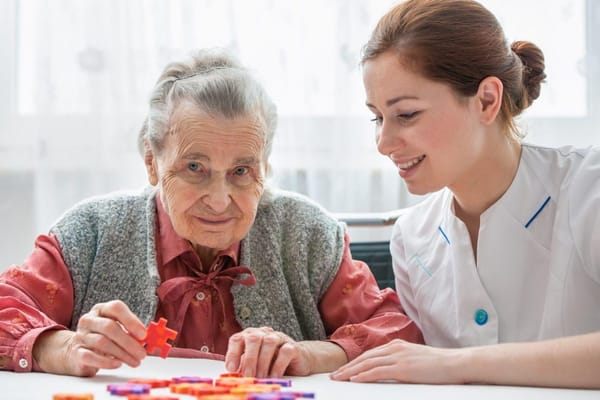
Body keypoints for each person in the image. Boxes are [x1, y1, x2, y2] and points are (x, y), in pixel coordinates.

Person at [0, 48, 423, 377]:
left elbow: (396, 332)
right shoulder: (88, 232)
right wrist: (62, 347)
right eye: (194, 169)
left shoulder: (308, 234)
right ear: (152, 162)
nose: (220, 200)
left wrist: (307, 354)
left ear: (266, 166)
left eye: (242, 171)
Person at [331, 0, 600, 389]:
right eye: (377, 117)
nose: (383, 143)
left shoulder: (588, 189)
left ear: (486, 101)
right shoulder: (412, 238)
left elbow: (442, 368)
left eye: (406, 114)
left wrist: (457, 364)